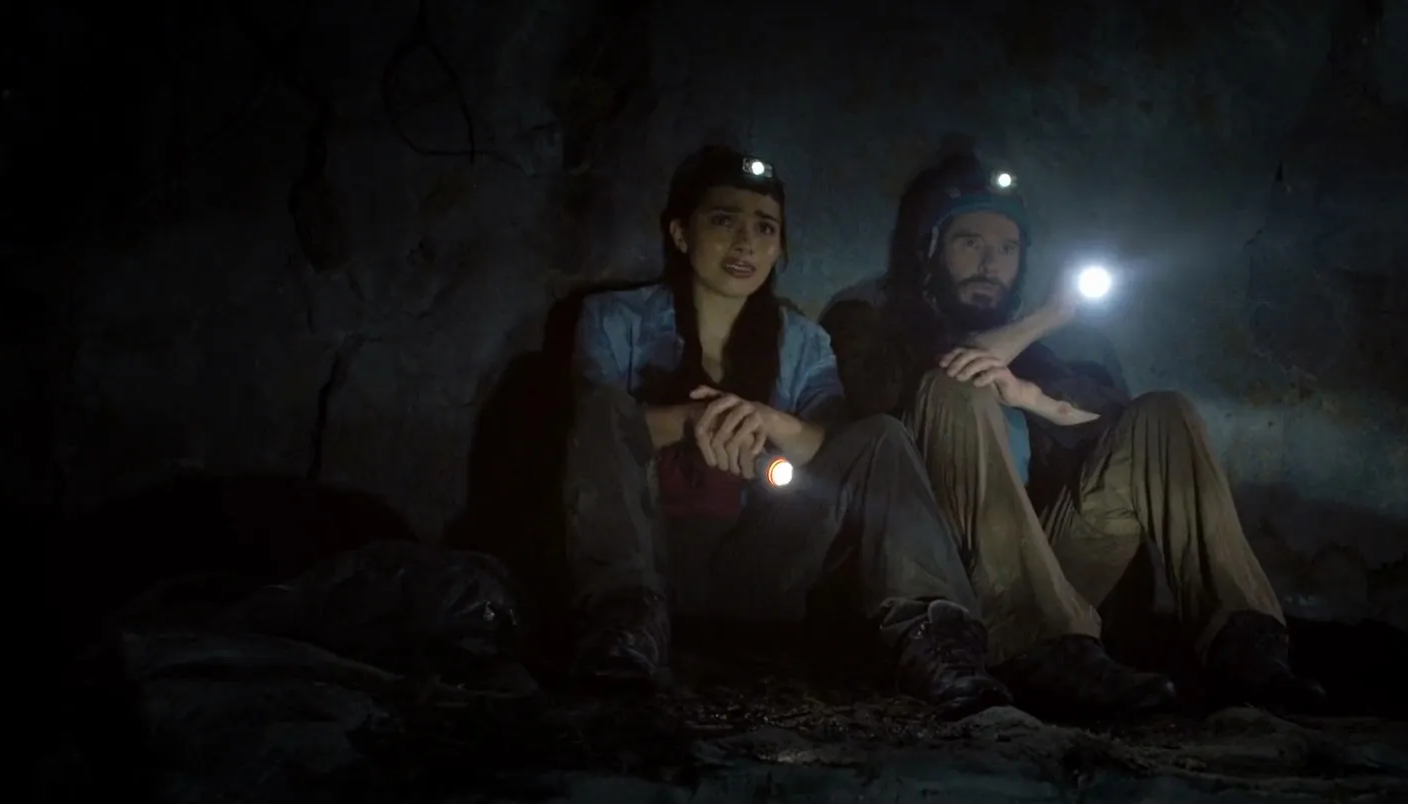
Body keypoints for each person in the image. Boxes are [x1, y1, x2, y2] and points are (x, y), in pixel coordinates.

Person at [819, 152, 1325, 718]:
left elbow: (1105, 416)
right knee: (956, 387)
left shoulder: (1038, 358)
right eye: (970, 243)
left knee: (1164, 414)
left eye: (1007, 249)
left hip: (1039, 572)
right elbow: (876, 407)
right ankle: (1039, 645)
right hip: (941, 579)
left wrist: (1031, 397)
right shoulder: (871, 325)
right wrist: (1050, 314)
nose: (989, 263)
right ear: (931, 250)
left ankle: (1243, 644)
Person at [564, 145, 1010, 719]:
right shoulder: (614, 319)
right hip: (648, 554)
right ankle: (621, 624)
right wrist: (698, 420)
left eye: (764, 228)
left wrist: (768, 421)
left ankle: (936, 639)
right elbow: (587, 429)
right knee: (603, 406)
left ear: (780, 247)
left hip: (759, 560)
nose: (745, 243)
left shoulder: (801, 342)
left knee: (881, 436)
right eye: (723, 220)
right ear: (681, 233)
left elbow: (838, 445)